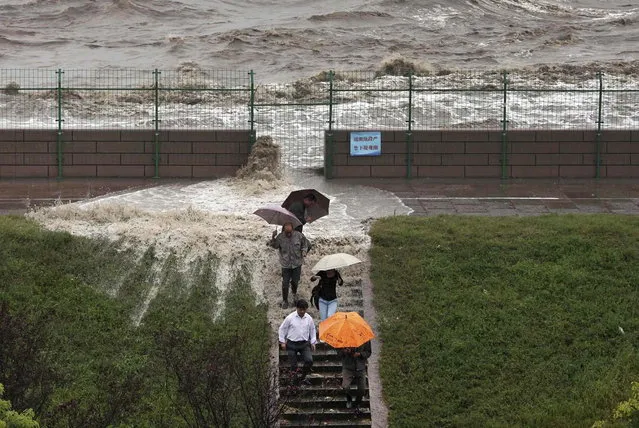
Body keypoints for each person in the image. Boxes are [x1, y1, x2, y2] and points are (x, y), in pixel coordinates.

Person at [269, 222, 309, 309]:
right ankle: (285, 300)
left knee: (295, 281)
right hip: (285, 264)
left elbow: (305, 244)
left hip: (297, 263)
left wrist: (304, 251)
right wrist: (273, 237)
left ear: (293, 228)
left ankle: (294, 294)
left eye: (290, 231)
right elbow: (274, 246)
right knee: (285, 283)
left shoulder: (299, 235)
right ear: (284, 229)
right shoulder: (280, 237)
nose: (288, 233)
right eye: (287, 231)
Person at [278, 299, 317, 383]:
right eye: (300, 309)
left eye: (304, 309)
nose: (302, 311)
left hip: (304, 344)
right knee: (293, 364)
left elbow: (312, 330)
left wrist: (313, 342)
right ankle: (294, 381)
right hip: (292, 344)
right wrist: (282, 341)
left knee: (309, 360)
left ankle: (303, 376)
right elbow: (282, 329)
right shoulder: (290, 318)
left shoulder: (309, 318)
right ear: (297, 308)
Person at [338, 340, 371, 409]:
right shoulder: (343, 338)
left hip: (360, 367)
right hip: (348, 367)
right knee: (345, 386)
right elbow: (339, 353)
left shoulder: (365, 338)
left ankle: (357, 403)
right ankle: (349, 399)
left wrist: (360, 354)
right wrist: (345, 351)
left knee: (362, 389)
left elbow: (368, 352)